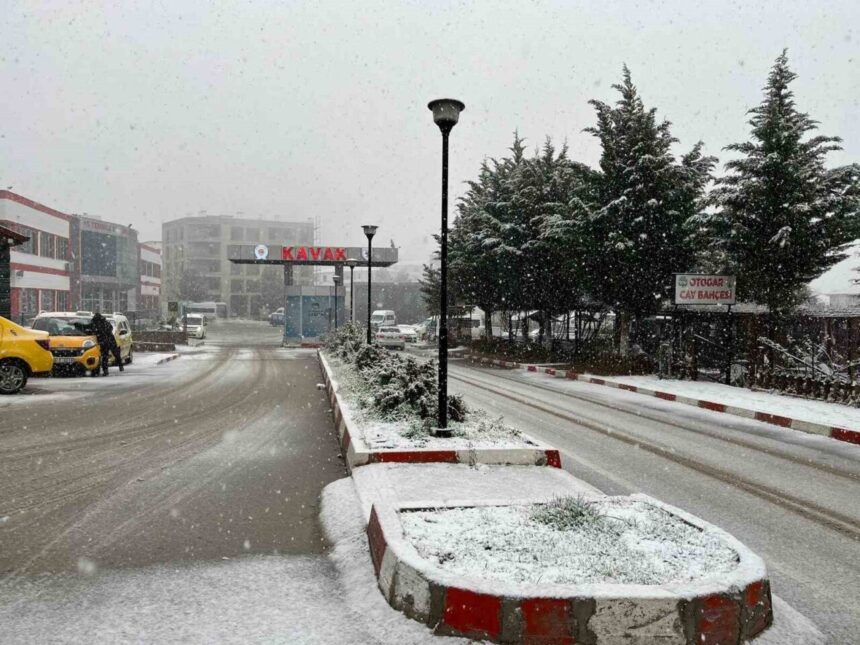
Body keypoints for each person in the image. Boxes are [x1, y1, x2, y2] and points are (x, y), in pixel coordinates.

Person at [91, 312, 123, 376]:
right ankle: (120, 365)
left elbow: (95, 331)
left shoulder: (96, 323)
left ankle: (106, 370)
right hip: (110, 340)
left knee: (105, 356)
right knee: (115, 354)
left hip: (104, 341)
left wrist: (100, 334)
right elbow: (110, 328)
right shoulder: (105, 322)